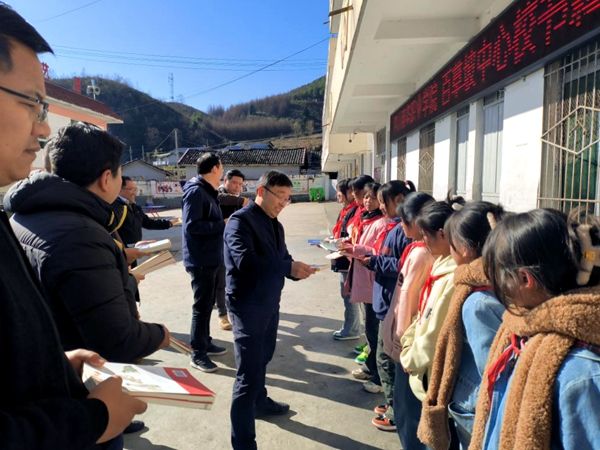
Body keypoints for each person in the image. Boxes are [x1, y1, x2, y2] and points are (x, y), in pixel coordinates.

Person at [0, 4, 145, 448]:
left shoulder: (13, 211)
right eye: (32, 103)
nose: (44, 127)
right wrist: (93, 419)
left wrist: (53, 363)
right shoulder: (82, 232)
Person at [6, 123, 169, 364]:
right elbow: (119, 341)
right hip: (77, 371)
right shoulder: (82, 236)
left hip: (44, 358)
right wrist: (161, 335)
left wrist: (121, 270)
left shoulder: (24, 213)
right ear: (106, 179)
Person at [470, 209, 600, 450]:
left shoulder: (580, 374)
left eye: (498, 275)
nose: (496, 286)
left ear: (524, 279)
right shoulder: (521, 335)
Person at [224, 170, 316, 450]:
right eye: (280, 196)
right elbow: (246, 262)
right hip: (246, 305)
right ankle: (243, 443)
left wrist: (295, 270)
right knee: (247, 375)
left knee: (263, 357)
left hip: (269, 302)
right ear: (261, 192)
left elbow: (283, 257)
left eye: (288, 199)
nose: (283, 203)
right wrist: (287, 267)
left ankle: (260, 402)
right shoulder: (239, 222)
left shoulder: (275, 224)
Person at [418, 202, 506, 450]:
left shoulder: (477, 303)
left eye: (452, 243)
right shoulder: (499, 281)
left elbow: (492, 372)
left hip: (475, 407)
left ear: (465, 248)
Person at [383, 192, 434, 450]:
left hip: (408, 343)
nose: (401, 226)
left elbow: (408, 297)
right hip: (411, 340)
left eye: (404, 221)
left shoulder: (421, 254)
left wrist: (401, 339)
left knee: (407, 409)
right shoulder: (420, 249)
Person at [364, 180, 414, 431]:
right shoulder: (396, 227)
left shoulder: (405, 232)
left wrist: (373, 262)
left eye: (383, 202)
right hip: (386, 300)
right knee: (385, 357)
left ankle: (395, 411)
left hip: (394, 306)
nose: (380, 206)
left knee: (387, 359)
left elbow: (402, 267)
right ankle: (392, 402)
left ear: (400, 200)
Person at [339, 182, 387, 393]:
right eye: (366, 197)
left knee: (375, 331)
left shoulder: (383, 223)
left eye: (373, 198)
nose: (368, 201)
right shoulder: (367, 219)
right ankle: (371, 366)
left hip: (373, 282)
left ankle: (378, 377)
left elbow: (376, 252)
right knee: (370, 328)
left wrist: (353, 248)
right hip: (365, 280)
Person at [182, 152, 227, 372]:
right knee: (201, 307)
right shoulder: (196, 192)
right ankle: (197, 354)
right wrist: (222, 224)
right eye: (222, 167)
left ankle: (205, 342)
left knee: (208, 304)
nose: (223, 171)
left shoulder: (207, 191)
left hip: (210, 256)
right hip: (200, 259)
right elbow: (192, 226)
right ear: (215, 168)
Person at [215, 169, 249, 331]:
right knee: (221, 281)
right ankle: (222, 315)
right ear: (225, 181)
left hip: (234, 244)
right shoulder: (218, 194)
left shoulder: (238, 199)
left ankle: (236, 307)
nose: (237, 186)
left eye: (240, 184)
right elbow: (220, 198)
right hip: (217, 244)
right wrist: (242, 201)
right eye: (234, 182)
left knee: (237, 278)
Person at [330, 178, 362, 340]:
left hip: (348, 257)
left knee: (349, 295)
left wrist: (337, 242)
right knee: (347, 294)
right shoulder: (347, 210)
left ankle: (352, 329)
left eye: (340, 193)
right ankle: (352, 327)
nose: (338, 196)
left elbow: (352, 235)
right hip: (342, 255)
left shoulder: (355, 211)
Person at [115, 176, 179, 246]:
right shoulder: (115, 206)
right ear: (119, 189)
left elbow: (147, 223)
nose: (134, 193)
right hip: (121, 249)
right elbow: (112, 233)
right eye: (131, 189)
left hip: (135, 247)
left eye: (135, 189)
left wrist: (168, 223)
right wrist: (123, 249)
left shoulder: (134, 207)